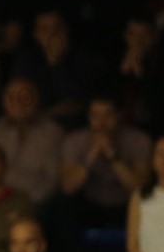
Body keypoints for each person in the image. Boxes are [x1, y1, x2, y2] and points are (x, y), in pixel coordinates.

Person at [58, 98, 151, 232]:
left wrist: (112, 154)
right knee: (63, 206)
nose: (102, 123)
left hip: (128, 204)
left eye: (108, 115)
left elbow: (139, 187)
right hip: (89, 204)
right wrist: (92, 155)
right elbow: (68, 187)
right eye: (95, 116)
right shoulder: (74, 141)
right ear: (88, 117)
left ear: (119, 115)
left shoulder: (139, 140)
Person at [0, 79, 66, 207]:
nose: (18, 102)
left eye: (24, 97)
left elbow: (52, 180)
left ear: (35, 100)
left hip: (33, 205)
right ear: (4, 102)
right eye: (12, 98)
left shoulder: (52, 134)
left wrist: (23, 204)